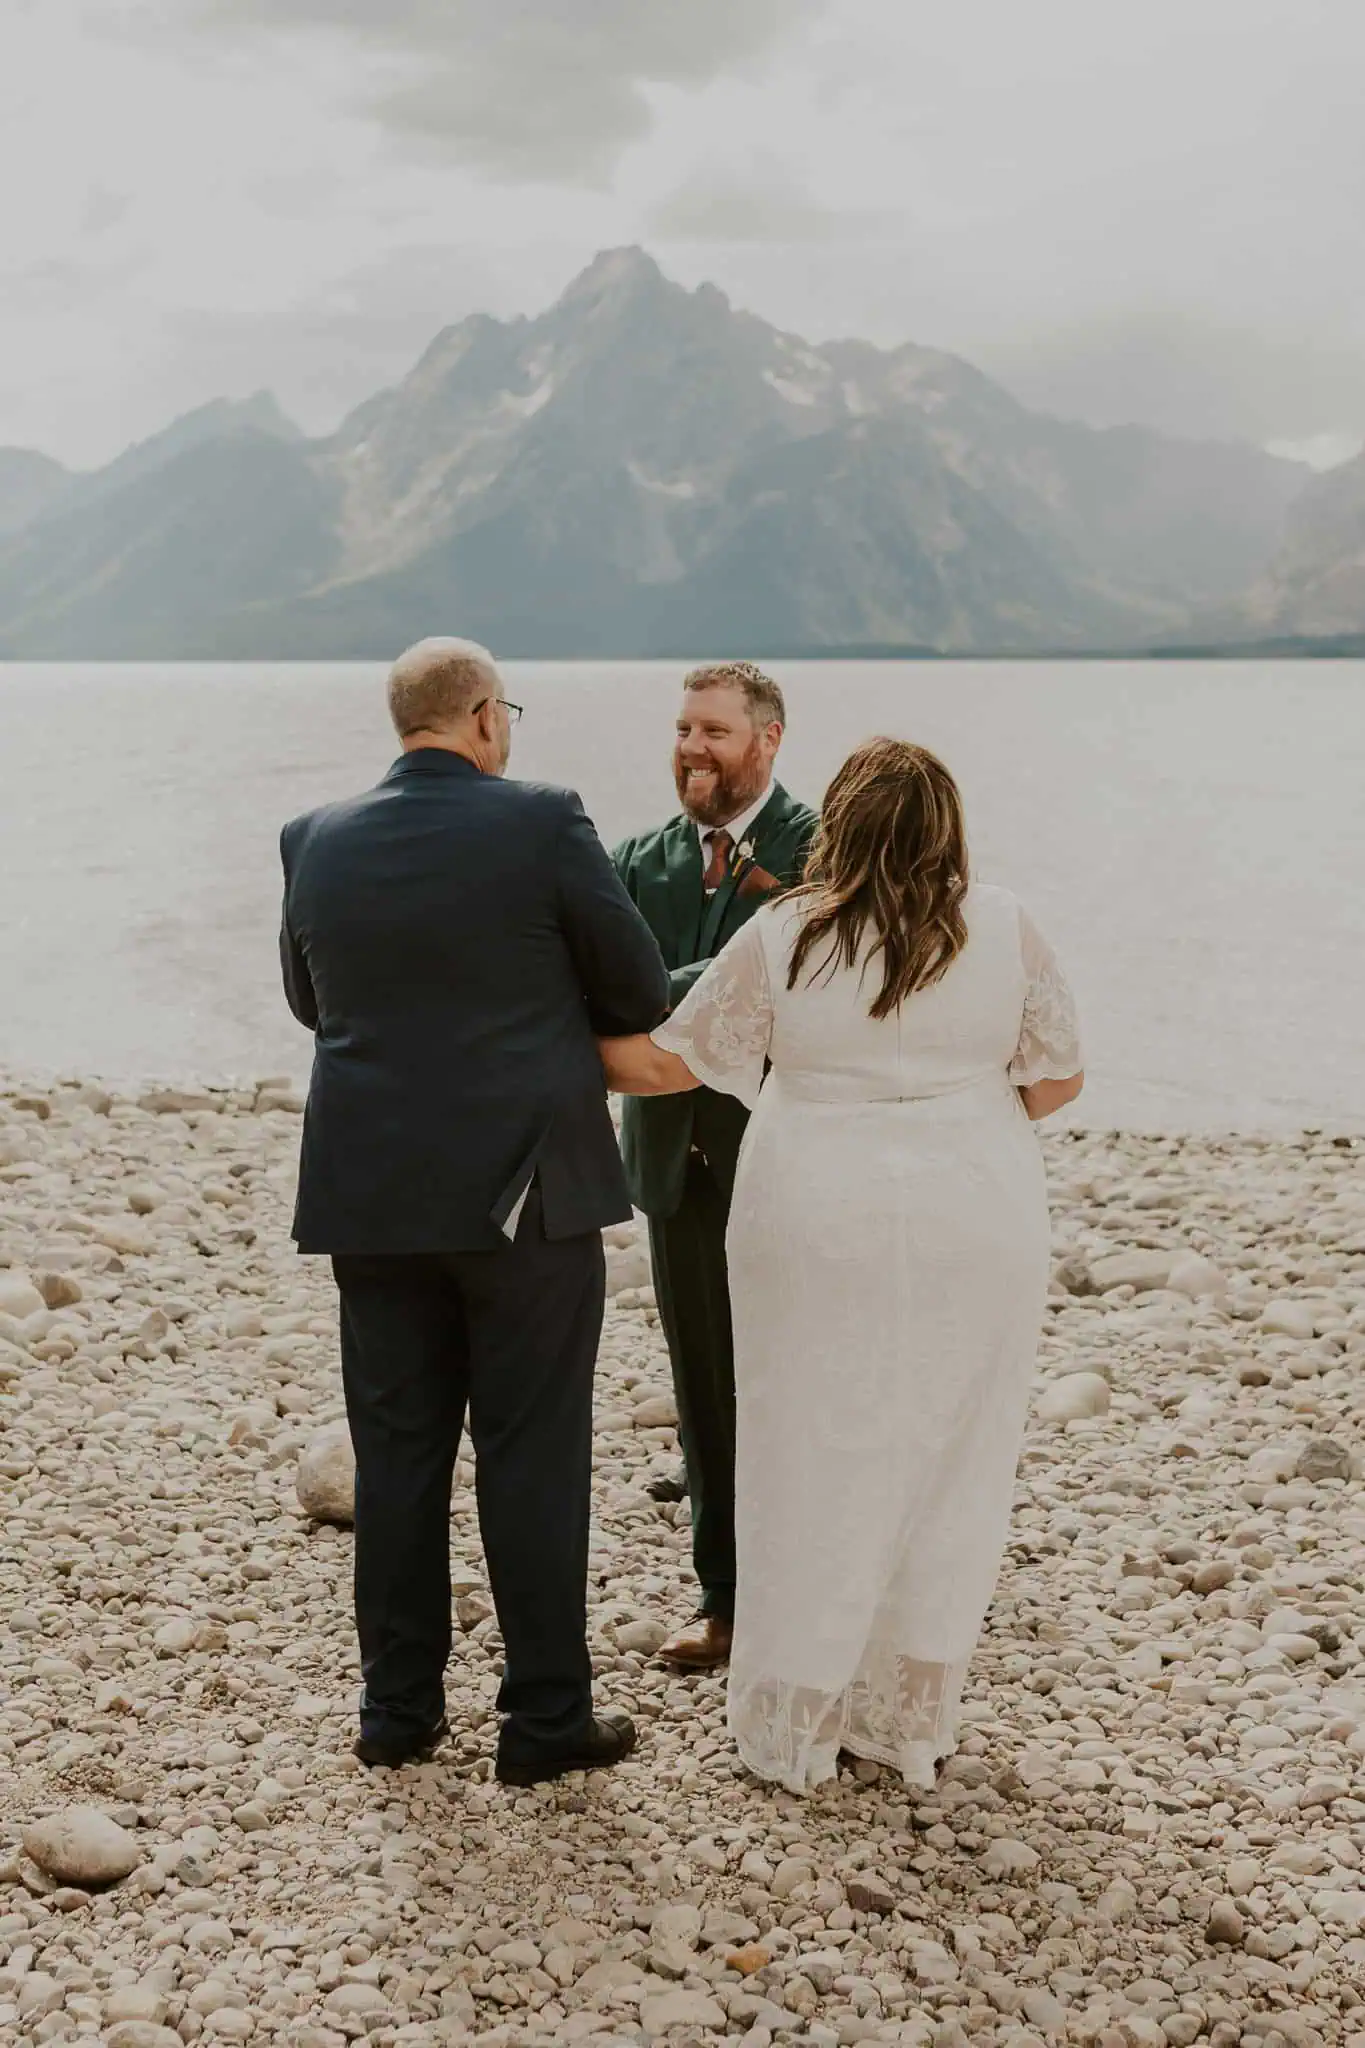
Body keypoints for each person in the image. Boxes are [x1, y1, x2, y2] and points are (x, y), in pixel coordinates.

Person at [599, 737, 1083, 1792]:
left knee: (808, 1445)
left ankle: (798, 1718)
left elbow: (667, 1060)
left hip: (816, 1209)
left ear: (842, 827)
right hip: (975, 1209)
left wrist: (536, 1033)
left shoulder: (787, 933)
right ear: (946, 825)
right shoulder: (1003, 923)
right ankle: (907, 1716)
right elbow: (1054, 1085)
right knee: (951, 1452)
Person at [279, 637, 669, 1784]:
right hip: (526, 1198)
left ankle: (397, 1711)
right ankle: (544, 1722)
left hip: (373, 1195)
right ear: (485, 717)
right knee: (531, 1454)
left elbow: (311, 998)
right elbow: (641, 988)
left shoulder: (312, 837)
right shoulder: (544, 819)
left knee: (398, 1460)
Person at [612, 664, 817, 1670]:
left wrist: (650, 991)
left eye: (715, 731)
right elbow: (590, 980)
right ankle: (727, 1599)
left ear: (768, 741)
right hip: (670, 1162)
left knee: (803, 1378)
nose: (693, 747)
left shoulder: (820, 847)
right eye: (684, 727)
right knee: (702, 1389)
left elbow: (796, 977)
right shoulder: (635, 860)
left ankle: (820, 1591)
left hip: (789, 1156)